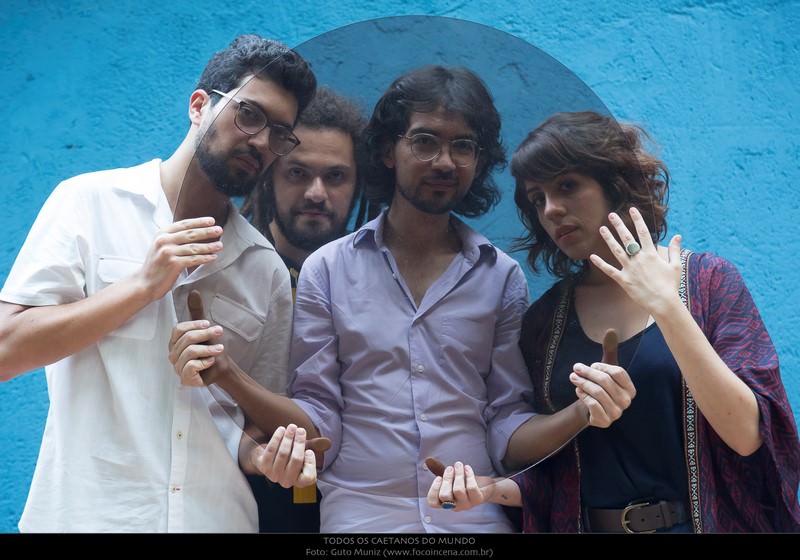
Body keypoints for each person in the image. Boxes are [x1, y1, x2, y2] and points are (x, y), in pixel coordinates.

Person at [0, 34, 318, 532]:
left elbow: (241, 425)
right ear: (199, 106)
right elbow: (5, 351)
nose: (261, 142)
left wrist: (265, 459)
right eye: (249, 115)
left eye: (279, 133)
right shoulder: (88, 203)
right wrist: (142, 286)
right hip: (90, 518)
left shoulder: (265, 269)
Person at [426, 111, 800, 532]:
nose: (551, 210)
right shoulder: (546, 321)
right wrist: (492, 490)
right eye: (537, 199)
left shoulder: (710, 283)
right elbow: (559, 475)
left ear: (615, 185)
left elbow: (749, 436)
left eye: (567, 186)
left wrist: (667, 307)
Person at [285, 65, 536, 533]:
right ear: (387, 150)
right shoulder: (329, 269)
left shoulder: (500, 276)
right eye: (425, 141)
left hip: (474, 517)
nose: (445, 162)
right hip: (361, 518)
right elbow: (317, 405)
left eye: (463, 146)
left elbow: (506, 413)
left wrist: (583, 414)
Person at [239, 87, 367, 533]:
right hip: (239, 503)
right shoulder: (227, 270)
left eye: (336, 176)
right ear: (268, 176)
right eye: (297, 172)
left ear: (358, 185)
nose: (316, 193)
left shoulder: (381, 284)